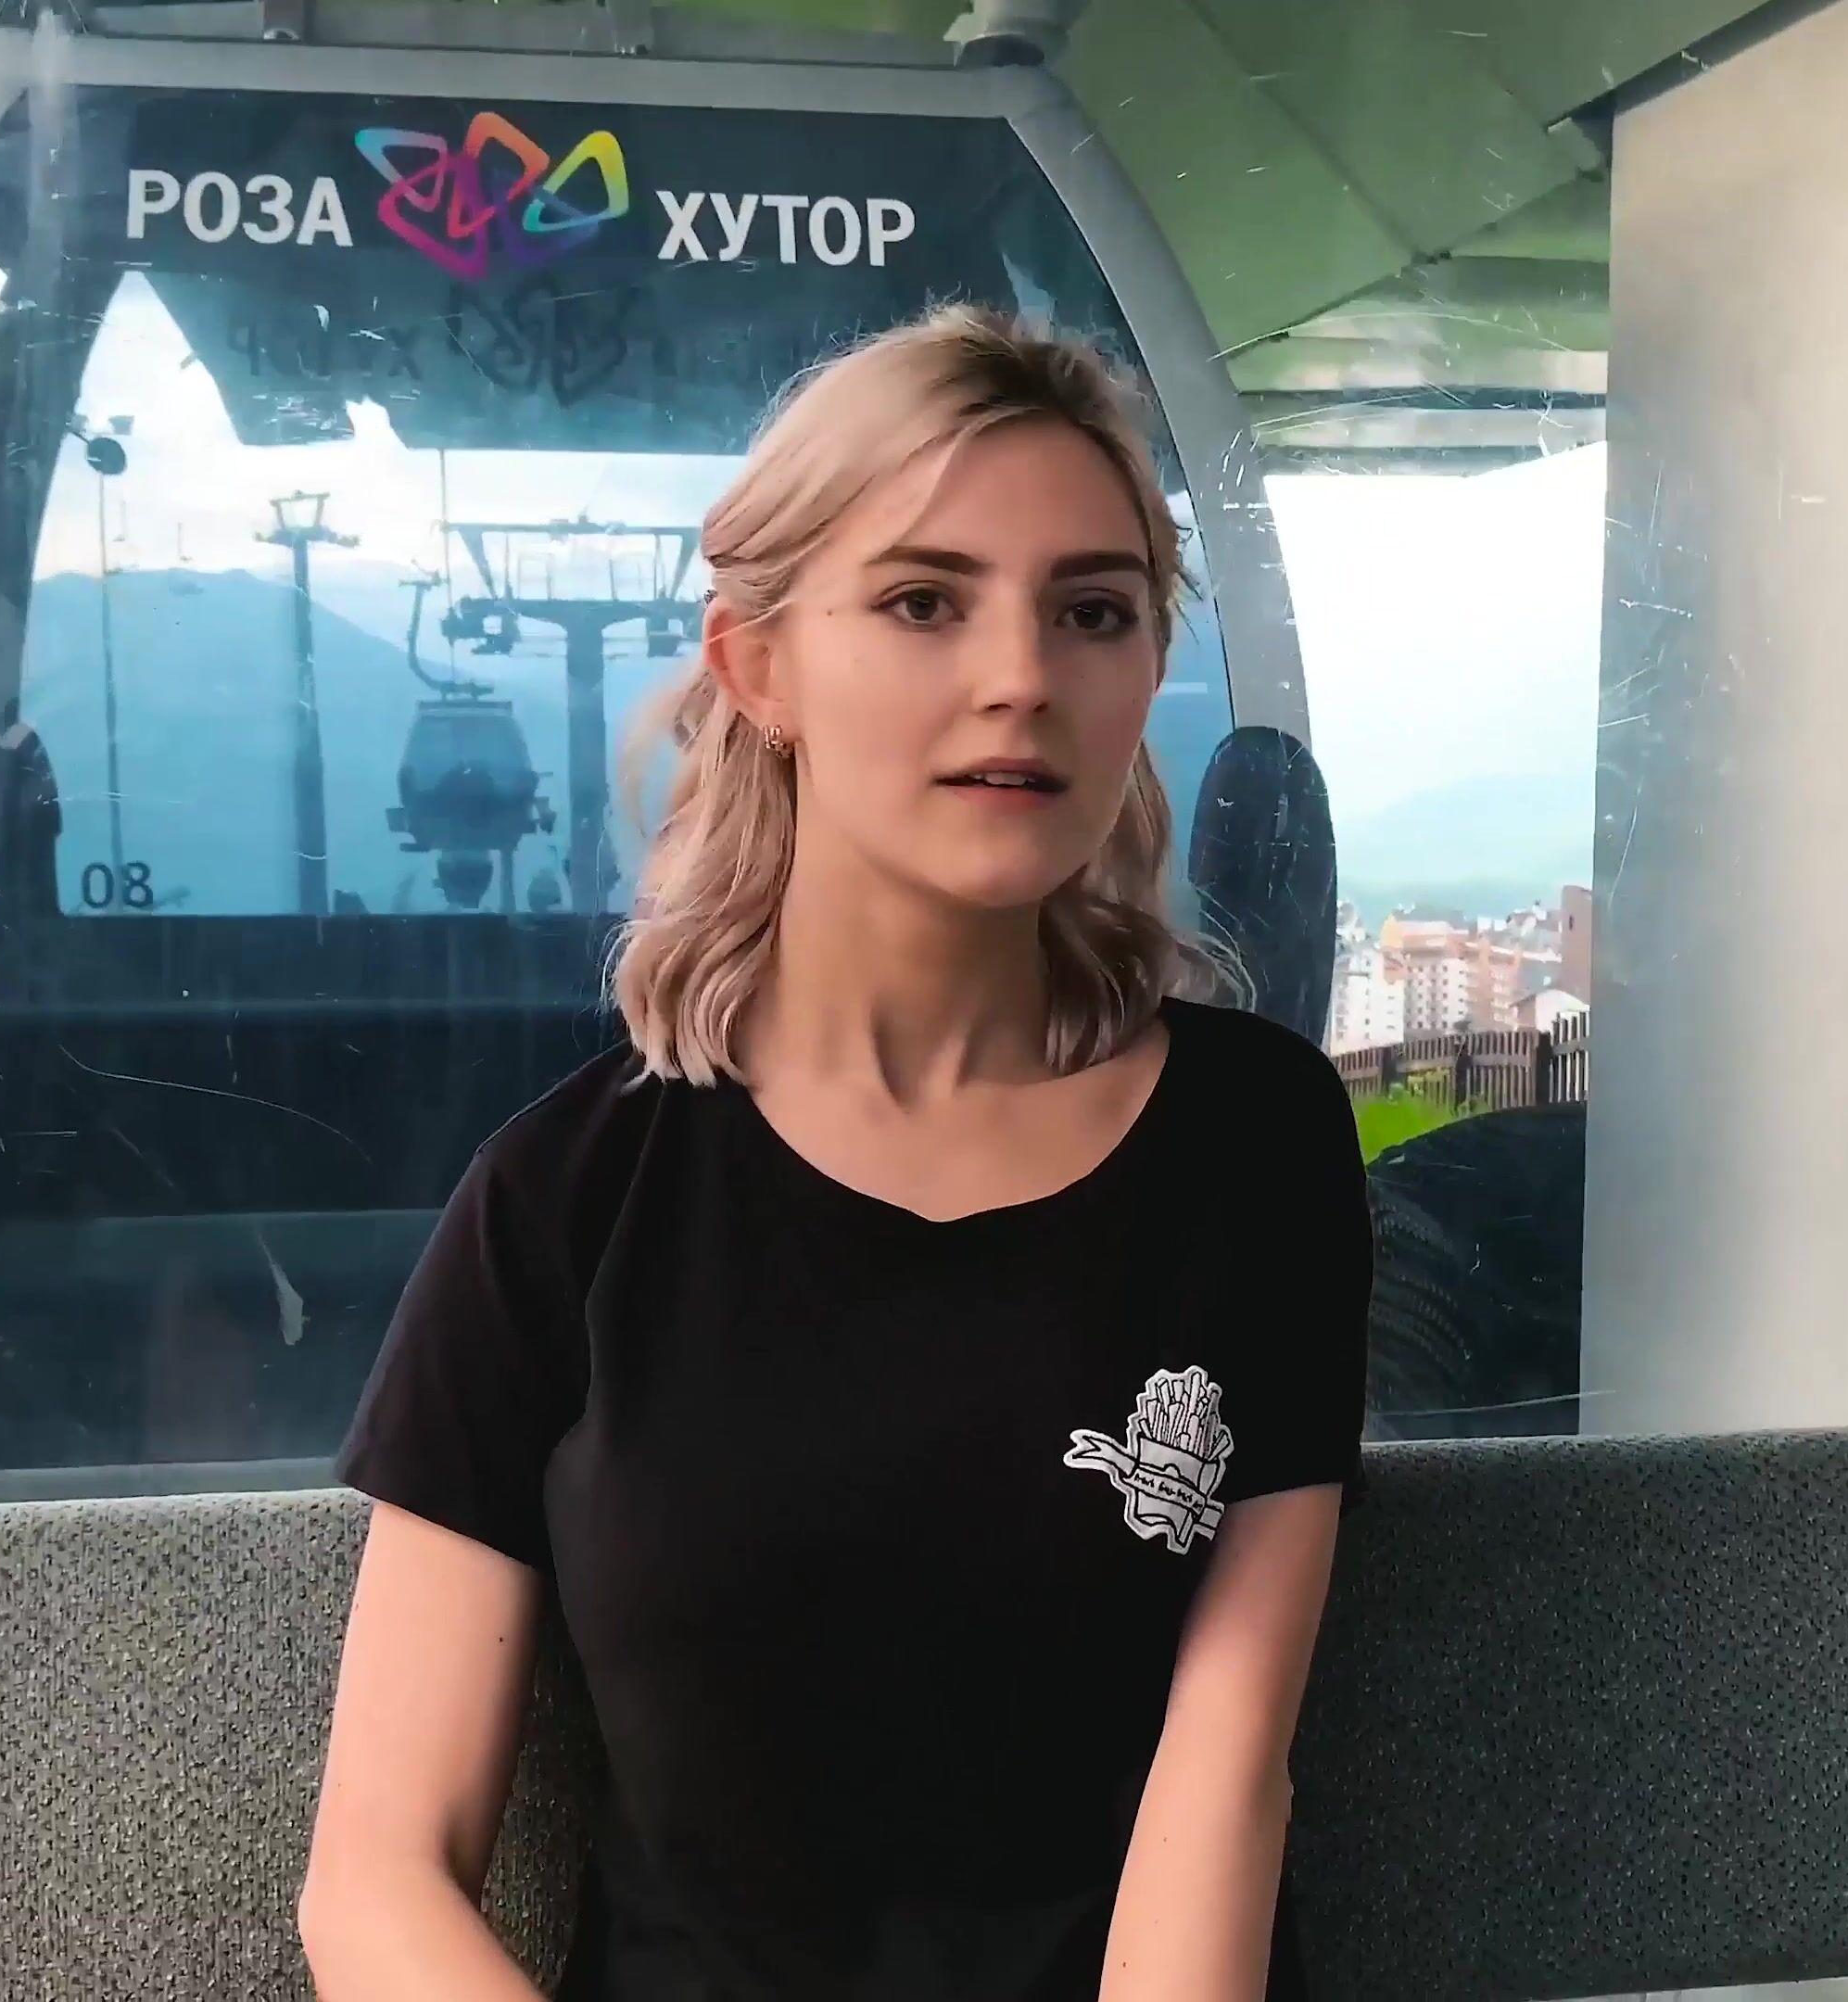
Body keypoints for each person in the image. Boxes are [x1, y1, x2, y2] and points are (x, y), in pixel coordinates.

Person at [295, 303, 1375, 2002]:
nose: (1021, 675)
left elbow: (1225, 1777)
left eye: (1092, 611)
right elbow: (375, 1880)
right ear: (757, 666)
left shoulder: (1256, 1145)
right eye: (924, 601)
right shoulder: (564, 1210)